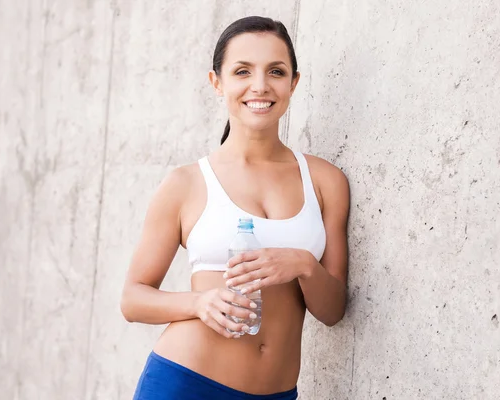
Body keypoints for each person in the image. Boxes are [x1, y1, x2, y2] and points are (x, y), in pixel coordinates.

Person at [121, 15, 350, 400]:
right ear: (217, 82)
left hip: (276, 393)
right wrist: (199, 303)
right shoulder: (186, 183)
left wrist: (304, 265)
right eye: (242, 71)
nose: (259, 86)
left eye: (276, 71)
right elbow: (132, 298)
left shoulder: (325, 181)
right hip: (184, 383)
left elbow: (333, 311)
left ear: (293, 82)